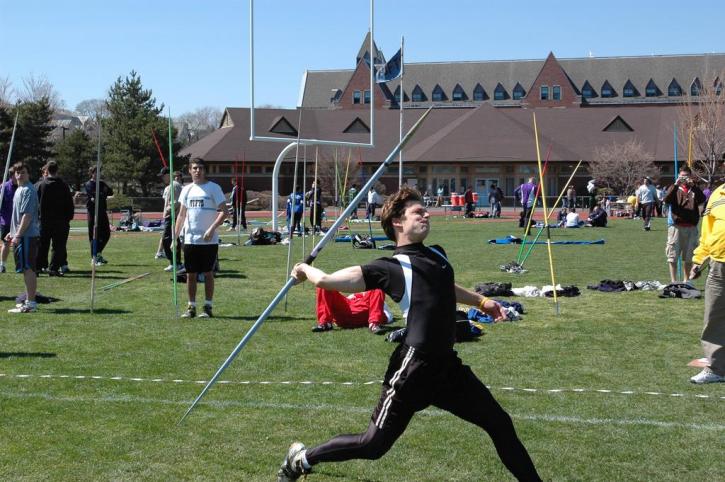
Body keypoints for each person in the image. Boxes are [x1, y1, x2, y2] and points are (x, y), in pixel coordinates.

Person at [278, 187, 541, 482]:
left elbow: (445, 286)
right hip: (412, 371)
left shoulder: (438, 256)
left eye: (424, 210)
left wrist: (482, 301)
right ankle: (301, 459)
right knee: (372, 445)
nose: (426, 214)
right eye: (418, 212)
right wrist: (304, 269)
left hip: (447, 368)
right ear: (398, 223)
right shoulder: (391, 268)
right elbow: (328, 281)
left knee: (499, 423)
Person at [174, 158, 227, 318]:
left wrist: (212, 229)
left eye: (201, 168)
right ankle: (191, 307)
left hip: (208, 241)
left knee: (208, 272)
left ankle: (208, 307)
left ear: (205, 170)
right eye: (195, 168)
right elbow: (182, 215)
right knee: (190, 274)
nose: (198, 171)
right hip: (190, 239)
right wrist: (175, 236)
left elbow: (225, 212)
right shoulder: (186, 190)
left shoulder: (213, 188)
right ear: (189, 170)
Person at [688, 170, 725, 383]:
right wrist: (698, 259)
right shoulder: (718, 194)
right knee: (713, 318)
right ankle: (717, 369)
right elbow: (707, 233)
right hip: (718, 265)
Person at [5, 162, 40, 313]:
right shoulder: (19, 189)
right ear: (14, 174)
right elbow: (17, 216)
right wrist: (12, 232)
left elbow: (27, 216)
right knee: (25, 269)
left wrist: (18, 234)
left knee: (28, 268)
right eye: (17, 172)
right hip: (21, 234)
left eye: (23, 172)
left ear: (28, 174)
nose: (20, 175)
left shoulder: (28, 190)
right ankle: (28, 300)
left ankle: (31, 303)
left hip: (27, 235)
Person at [664, 166, 706, 283]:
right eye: (681, 176)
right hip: (676, 227)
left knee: (689, 257)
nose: (683, 179)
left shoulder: (694, 189)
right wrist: (676, 185)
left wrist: (693, 186)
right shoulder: (674, 188)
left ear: (690, 177)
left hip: (691, 227)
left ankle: (686, 281)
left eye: (686, 177)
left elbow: (703, 199)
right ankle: (673, 281)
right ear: (678, 176)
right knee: (672, 255)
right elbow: (666, 200)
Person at [35, 161, 74, 276]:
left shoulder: (41, 185)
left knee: (42, 245)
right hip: (60, 221)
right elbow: (69, 203)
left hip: (44, 220)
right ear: (57, 170)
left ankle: (38, 267)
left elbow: (35, 203)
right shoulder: (63, 185)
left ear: (47, 170)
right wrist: (68, 217)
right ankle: (54, 268)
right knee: (58, 246)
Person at [313, 288, 392, 334]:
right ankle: (325, 323)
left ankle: (374, 324)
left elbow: (386, 315)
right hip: (346, 307)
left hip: (364, 312)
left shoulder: (375, 296)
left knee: (377, 287)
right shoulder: (353, 297)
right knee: (324, 285)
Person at [83, 165, 113, 265]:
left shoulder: (102, 183)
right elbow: (94, 196)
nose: (98, 174)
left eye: (99, 172)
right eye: (96, 172)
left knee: (107, 234)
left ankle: (98, 253)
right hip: (93, 212)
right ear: (92, 173)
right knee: (94, 235)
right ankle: (94, 258)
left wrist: (102, 194)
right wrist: (101, 194)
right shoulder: (88, 184)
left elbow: (110, 192)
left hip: (102, 211)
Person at [160, 168, 183, 272]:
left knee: (166, 239)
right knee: (175, 239)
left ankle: (174, 262)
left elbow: (175, 202)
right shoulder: (170, 186)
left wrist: (167, 211)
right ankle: (176, 262)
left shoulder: (174, 185)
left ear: (168, 175)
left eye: (163, 175)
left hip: (173, 216)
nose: (162, 178)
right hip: (173, 215)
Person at [0, 168, 17, 273]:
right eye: (17, 173)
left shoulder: (22, 186)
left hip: (18, 221)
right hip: (6, 220)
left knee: (18, 244)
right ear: (12, 175)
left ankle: (19, 265)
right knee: (6, 243)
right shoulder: (4, 187)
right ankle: (2, 265)